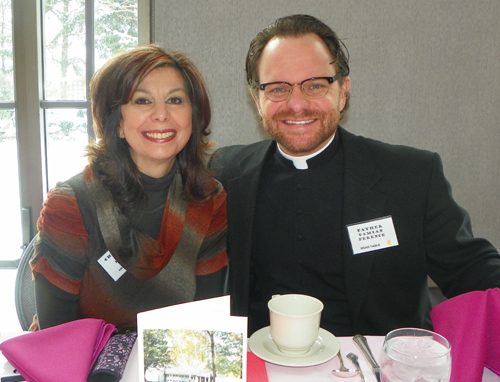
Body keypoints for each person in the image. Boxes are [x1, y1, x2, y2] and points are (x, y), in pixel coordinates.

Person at [210, 14, 500, 336]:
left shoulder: (412, 177)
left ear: (343, 91)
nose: (296, 104)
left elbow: (472, 270)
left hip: (376, 365)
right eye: (278, 88)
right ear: (257, 99)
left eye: (315, 85)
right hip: (259, 364)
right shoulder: (224, 173)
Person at [31, 44, 228, 331]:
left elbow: (206, 323)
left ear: (193, 118)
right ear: (118, 123)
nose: (161, 114)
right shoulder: (72, 204)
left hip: (172, 367)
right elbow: (56, 336)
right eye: (142, 101)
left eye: (175, 100)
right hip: (83, 365)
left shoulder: (209, 200)